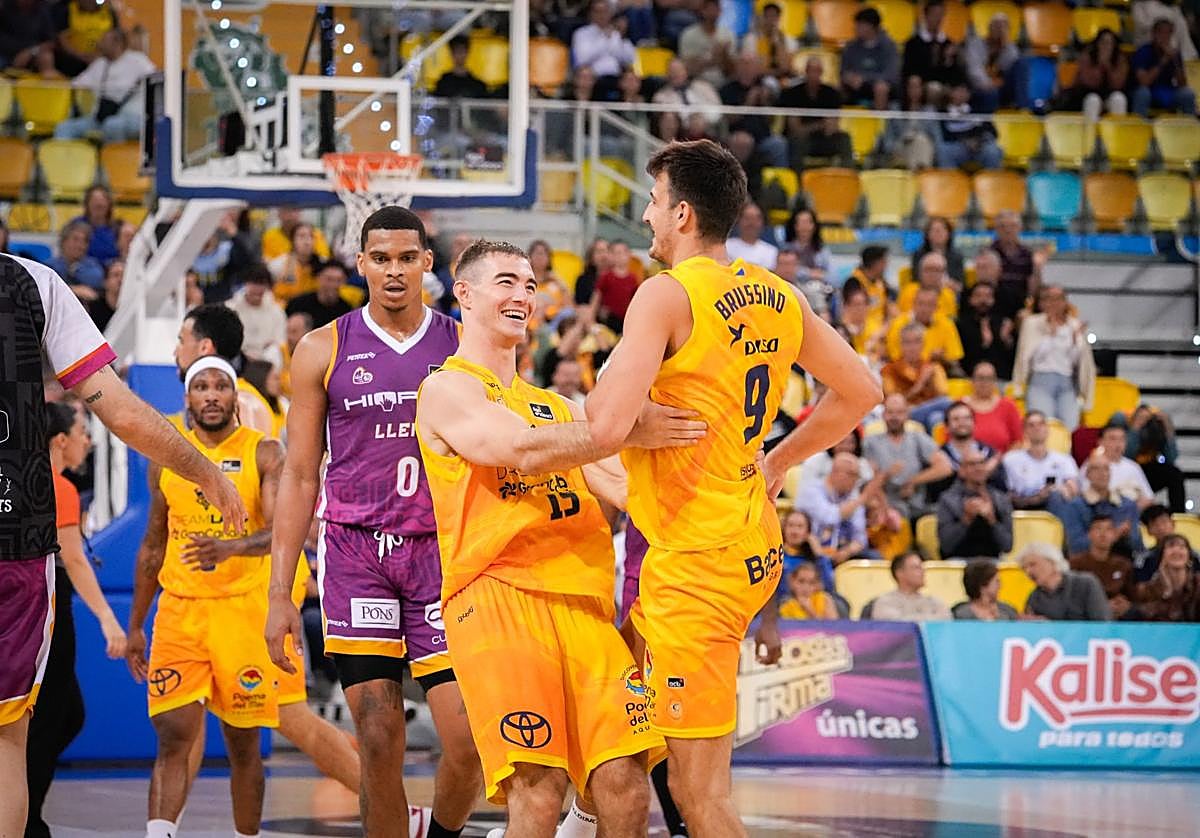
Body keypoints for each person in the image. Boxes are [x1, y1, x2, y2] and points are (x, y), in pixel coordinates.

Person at [584, 139, 880, 836]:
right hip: (746, 534)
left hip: (698, 559)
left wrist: (604, 406)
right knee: (638, 734)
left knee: (700, 796)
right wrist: (778, 459)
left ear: (682, 214)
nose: (647, 216)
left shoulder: (664, 294)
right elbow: (859, 391)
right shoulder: (777, 293)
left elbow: (603, 427)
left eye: (654, 202)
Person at [414, 239, 686, 836]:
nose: (523, 295)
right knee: (538, 793)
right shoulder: (445, 389)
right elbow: (516, 449)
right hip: (498, 599)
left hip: (584, 606)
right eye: (507, 281)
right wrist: (624, 427)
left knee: (625, 783)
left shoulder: (561, 409)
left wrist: (729, 476)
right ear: (464, 294)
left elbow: (631, 494)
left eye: (532, 285)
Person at [0, 252, 245, 838]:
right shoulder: (30, 283)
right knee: (8, 738)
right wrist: (204, 470)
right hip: (14, 537)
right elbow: (118, 409)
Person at [263, 209, 484, 838]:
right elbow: (301, 474)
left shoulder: (466, 343)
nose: (393, 270)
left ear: (427, 264)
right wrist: (282, 593)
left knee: (468, 743)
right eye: (380, 258)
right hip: (356, 555)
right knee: (381, 740)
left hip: (443, 556)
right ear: (360, 263)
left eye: (405, 258)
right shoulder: (321, 348)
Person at [126, 357, 361, 838]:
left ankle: (246, 834)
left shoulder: (263, 453)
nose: (211, 395)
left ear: (236, 396)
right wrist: (134, 624)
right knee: (173, 733)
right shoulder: (166, 459)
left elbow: (282, 531)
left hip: (244, 612)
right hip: (180, 611)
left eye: (220, 386)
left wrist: (228, 547)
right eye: (201, 387)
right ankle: (159, 832)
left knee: (243, 743)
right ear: (187, 399)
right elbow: (152, 545)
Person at [25, 402, 127, 838]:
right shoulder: (59, 487)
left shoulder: (24, 484)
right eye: (83, 431)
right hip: (52, 616)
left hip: (29, 615)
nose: (88, 440)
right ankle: (28, 821)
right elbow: (75, 561)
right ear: (60, 441)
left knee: (65, 716)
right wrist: (108, 618)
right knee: (50, 723)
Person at [174, 303, 276, 438]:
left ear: (205, 347)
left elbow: (249, 456)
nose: (175, 352)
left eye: (182, 341)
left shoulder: (243, 403)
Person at [1012, 284, 1095, 431]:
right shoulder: (1032, 323)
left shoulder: (1074, 325)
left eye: (1058, 299)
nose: (1053, 303)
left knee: (1070, 427)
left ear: (1065, 302)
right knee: (1044, 425)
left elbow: (1077, 360)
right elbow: (1029, 356)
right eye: (1049, 299)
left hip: (1067, 383)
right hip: (1040, 381)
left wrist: (1076, 340)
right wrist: (1051, 335)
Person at [54, 28, 156, 143]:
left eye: (104, 41)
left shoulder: (138, 61)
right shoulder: (99, 64)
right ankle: (65, 159)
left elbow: (155, 81)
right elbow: (76, 84)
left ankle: (116, 160)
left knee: (112, 125)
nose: (100, 44)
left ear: (118, 43)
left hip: (133, 117)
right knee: (64, 128)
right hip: (102, 116)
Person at [863, 395, 954, 520]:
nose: (894, 417)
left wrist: (913, 481)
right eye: (890, 412)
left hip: (917, 505)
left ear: (907, 414)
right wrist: (886, 475)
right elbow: (867, 479)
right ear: (883, 415)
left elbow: (945, 467)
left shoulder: (917, 437)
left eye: (899, 412)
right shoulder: (870, 442)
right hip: (884, 505)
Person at [797, 452, 878, 568]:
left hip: (842, 551)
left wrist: (847, 551)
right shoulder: (811, 490)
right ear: (836, 472)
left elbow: (860, 537)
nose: (856, 481)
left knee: (874, 557)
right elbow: (830, 517)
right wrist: (862, 499)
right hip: (811, 550)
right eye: (853, 475)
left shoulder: (852, 498)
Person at [936, 445, 1013, 560]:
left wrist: (992, 520)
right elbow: (946, 545)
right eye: (972, 464)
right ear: (961, 470)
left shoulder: (1001, 499)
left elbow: (1007, 546)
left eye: (982, 463)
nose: (978, 468)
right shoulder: (948, 500)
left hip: (991, 561)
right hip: (958, 561)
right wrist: (966, 520)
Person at [1062, 458, 1144, 558]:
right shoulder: (1075, 506)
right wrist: (1115, 534)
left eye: (1106, 469)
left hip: (1124, 560)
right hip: (1087, 564)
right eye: (1096, 469)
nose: (1102, 473)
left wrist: (1127, 536)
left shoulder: (1127, 505)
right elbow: (1076, 545)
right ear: (1087, 475)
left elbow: (1138, 544)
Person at [780, 56, 853, 168]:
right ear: (806, 71)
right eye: (811, 70)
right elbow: (796, 129)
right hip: (803, 141)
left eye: (817, 71)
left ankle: (846, 178)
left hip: (824, 140)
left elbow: (832, 126)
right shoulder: (793, 94)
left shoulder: (831, 94)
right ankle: (797, 182)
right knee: (796, 142)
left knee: (844, 138)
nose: (814, 74)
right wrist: (821, 125)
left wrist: (816, 127)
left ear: (821, 72)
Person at [1004, 410, 1081, 511]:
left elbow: (1074, 489)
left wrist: (1060, 490)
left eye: (1041, 424)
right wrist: (1038, 498)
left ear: (1048, 429)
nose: (1037, 428)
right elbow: (1007, 495)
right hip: (1024, 507)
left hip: (1057, 506)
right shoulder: (1010, 460)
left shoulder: (1064, 460)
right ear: (1024, 431)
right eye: (1031, 425)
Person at [881, 323, 951, 431]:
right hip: (904, 414)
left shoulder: (933, 367)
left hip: (928, 411)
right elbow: (894, 402)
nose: (912, 347)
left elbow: (943, 392)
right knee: (947, 403)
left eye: (917, 342)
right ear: (901, 345)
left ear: (923, 344)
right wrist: (920, 384)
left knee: (936, 418)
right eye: (907, 342)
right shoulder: (889, 370)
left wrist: (931, 381)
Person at [1069, 515, 1139, 620]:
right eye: (1098, 528)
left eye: (1108, 529)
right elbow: (1071, 599)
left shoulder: (1124, 564)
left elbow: (1132, 596)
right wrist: (1102, 606)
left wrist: (1126, 605)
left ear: (1115, 534)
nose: (1103, 534)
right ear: (1089, 534)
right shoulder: (1075, 563)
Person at [955, 259, 1015, 379]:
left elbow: (1012, 358)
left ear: (993, 300)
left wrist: (1006, 340)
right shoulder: (961, 325)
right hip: (970, 378)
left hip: (1000, 378)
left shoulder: (1003, 324)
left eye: (988, 296)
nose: (983, 300)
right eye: (978, 296)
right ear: (971, 300)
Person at [1020, 542, 1112, 621]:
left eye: (1032, 564)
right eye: (1024, 568)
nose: (1028, 571)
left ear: (1052, 562)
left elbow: (1102, 623)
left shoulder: (1086, 584)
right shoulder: (1034, 598)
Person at [1123, 404, 1187, 513]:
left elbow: (1171, 458)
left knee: (1175, 473)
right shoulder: (1124, 422)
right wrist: (1136, 427)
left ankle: (1178, 514)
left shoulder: (1158, 426)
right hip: (1127, 471)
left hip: (1149, 470)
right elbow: (1126, 456)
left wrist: (1167, 427)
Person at [885, 286, 965, 372]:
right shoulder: (898, 324)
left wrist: (942, 359)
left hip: (939, 373)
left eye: (929, 304)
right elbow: (893, 358)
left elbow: (955, 360)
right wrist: (928, 359)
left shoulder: (946, 324)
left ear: (936, 307)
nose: (924, 309)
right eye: (921, 303)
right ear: (913, 304)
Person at [1056, 28, 1129, 120]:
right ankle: (1090, 132)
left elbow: (1118, 84)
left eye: (1109, 43)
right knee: (1093, 100)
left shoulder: (1120, 59)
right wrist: (1099, 66)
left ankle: (1116, 132)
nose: (1106, 46)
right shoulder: (1087, 56)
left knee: (1119, 98)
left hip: (1109, 95)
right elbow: (1087, 81)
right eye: (1103, 42)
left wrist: (1108, 67)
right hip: (1085, 94)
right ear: (1097, 43)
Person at [1131, 17, 1197, 117]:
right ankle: (1139, 127)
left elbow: (1182, 83)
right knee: (1143, 93)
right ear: (1153, 34)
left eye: (1168, 33)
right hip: (1148, 91)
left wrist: (1175, 61)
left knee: (1187, 94)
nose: (1164, 36)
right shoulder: (1143, 51)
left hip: (1166, 90)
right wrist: (1163, 60)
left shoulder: (1174, 54)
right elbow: (1144, 82)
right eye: (1161, 33)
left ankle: (1191, 129)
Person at [901, 0, 965, 101]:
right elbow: (908, 70)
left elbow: (956, 75)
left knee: (960, 92)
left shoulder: (949, 44)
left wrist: (948, 61)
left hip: (944, 85)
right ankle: (914, 115)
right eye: (934, 14)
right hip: (921, 84)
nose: (938, 19)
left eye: (941, 15)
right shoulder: (913, 43)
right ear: (926, 16)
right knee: (919, 84)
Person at [1082, 423, 1155, 509]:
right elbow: (1085, 495)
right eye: (1113, 439)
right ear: (1100, 441)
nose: (1118, 444)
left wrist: (1131, 511)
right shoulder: (1092, 464)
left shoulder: (1133, 467)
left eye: (1122, 439)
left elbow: (1149, 497)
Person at [989, 211, 1045, 321]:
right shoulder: (989, 253)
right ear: (996, 229)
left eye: (1012, 226)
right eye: (1003, 226)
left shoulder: (1028, 254)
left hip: (1021, 304)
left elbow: (1033, 290)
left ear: (1020, 228)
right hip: (995, 305)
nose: (1008, 230)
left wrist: (1037, 269)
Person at [840, 6, 899, 110]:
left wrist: (865, 78)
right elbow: (843, 70)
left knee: (881, 88)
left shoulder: (889, 46)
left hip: (880, 87)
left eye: (859, 25)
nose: (856, 28)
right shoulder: (851, 47)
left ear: (871, 27)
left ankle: (880, 123)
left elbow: (890, 75)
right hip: (855, 86)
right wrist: (848, 77)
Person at [935, 82, 1003, 170]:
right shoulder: (943, 113)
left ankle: (991, 181)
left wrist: (979, 140)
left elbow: (993, 132)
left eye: (964, 91)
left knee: (993, 151)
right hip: (957, 147)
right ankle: (949, 181)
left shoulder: (978, 110)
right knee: (943, 149)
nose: (961, 94)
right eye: (958, 91)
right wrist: (965, 141)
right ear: (951, 93)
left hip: (979, 147)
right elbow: (944, 136)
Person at [228, 263, 288, 362]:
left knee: (274, 352)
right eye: (253, 283)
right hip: (240, 357)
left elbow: (280, 341)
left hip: (265, 361)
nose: (257, 289)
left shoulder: (277, 312)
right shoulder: (231, 308)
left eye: (261, 284)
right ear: (245, 283)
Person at [1136, 534, 1200, 622]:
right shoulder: (1148, 590)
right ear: (1162, 556)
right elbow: (1151, 619)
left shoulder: (1198, 584)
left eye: (1182, 547)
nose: (1176, 550)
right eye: (1171, 546)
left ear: (1189, 557)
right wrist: (1167, 592)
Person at [871, 552, 952, 621]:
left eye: (922, 568)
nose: (923, 572)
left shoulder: (934, 602)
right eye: (916, 568)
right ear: (899, 573)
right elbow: (899, 626)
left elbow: (946, 620)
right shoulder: (885, 602)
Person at [963, 14, 1018, 113]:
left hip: (1001, 87)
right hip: (979, 86)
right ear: (989, 28)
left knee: (1023, 64)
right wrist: (988, 84)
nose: (999, 30)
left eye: (1003, 27)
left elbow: (1011, 70)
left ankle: (1024, 108)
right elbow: (974, 70)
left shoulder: (1010, 48)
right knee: (991, 93)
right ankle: (988, 126)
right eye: (996, 26)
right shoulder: (975, 44)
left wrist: (1004, 47)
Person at [962, 362, 1022, 452]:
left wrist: (1001, 462)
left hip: (1002, 462)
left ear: (995, 381)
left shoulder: (1008, 406)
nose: (985, 382)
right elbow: (951, 441)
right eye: (980, 378)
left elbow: (1018, 441)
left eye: (989, 378)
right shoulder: (961, 406)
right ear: (972, 380)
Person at [1134, 504, 1200, 582]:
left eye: (1164, 522)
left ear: (1173, 524)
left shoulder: (1193, 555)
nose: (1161, 528)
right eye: (1155, 524)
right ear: (1148, 530)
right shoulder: (1144, 559)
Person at [571, 0, 636, 79]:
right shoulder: (581, 33)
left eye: (605, 11)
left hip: (617, 78)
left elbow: (630, 59)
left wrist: (622, 37)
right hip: (593, 79)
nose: (601, 15)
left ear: (610, 13)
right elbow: (582, 59)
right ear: (591, 14)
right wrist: (604, 39)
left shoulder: (616, 33)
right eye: (597, 12)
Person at [678, 0, 736, 87]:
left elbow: (732, 72)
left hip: (724, 84)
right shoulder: (689, 34)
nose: (712, 12)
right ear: (702, 11)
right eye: (709, 9)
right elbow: (686, 69)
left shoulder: (728, 35)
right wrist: (712, 59)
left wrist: (724, 56)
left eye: (715, 8)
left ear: (720, 11)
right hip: (696, 84)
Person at [285, 260, 355, 329]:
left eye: (338, 280)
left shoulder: (346, 310)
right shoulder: (298, 304)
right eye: (329, 279)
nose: (334, 284)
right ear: (319, 278)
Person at [52, 0, 116, 76]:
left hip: (102, 58)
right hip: (73, 60)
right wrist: (80, 55)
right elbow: (62, 39)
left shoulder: (108, 11)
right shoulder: (67, 10)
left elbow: (114, 36)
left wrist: (99, 55)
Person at [47, 221, 104, 301]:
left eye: (84, 241)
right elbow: (47, 287)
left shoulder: (93, 265)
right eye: (75, 239)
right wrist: (72, 289)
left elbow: (95, 280)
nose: (80, 245)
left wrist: (75, 269)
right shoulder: (50, 265)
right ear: (64, 241)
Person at [0, 0, 59, 77]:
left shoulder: (43, 10)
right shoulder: (4, 7)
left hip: (31, 54)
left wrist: (31, 52)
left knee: (46, 57)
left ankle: (48, 86)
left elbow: (51, 41)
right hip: (5, 54)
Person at [592, 239, 639, 333]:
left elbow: (636, 300)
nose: (621, 257)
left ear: (629, 254)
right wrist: (592, 320)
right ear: (611, 256)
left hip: (625, 320)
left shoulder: (633, 278)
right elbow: (596, 299)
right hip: (608, 319)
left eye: (624, 253)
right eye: (617, 253)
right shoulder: (606, 277)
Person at [740, 2, 796, 79]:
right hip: (757, 79)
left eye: (774, 16)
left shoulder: (789, 40)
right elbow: (755, 69)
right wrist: (776, 72)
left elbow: (786, 67)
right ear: (762, 17)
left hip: (783, 81)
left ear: (779, 18)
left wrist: (777, 42)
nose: (770, 20)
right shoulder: (751, 39)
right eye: (767, 16)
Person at [268, 222, 322, 303]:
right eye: (302, 236)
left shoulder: (323, 264)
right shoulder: (278, 264)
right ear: (292, 240)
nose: (307, 241)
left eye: (311, 236)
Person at [898, 251, 958, 320]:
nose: (932, 274)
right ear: (920, 272)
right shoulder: (908, 291)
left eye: (937, 270)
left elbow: (950, 322)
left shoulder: (949, 295)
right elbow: (900, 320)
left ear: (944, 273)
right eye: (928, 269)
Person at [951, 559, 1018, 620]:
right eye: (997, 581)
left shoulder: (1008, 612)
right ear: (983, 586)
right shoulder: (959, 614)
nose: (1000, 586)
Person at [260, 207, 332, 263]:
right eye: (285, 211)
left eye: (293, 210)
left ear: (300, 213)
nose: (290, 215)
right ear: (278, 214)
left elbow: (323, 258)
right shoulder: (270, 235)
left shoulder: (315, 233)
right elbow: (268, 261)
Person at [843, 244, 893, 324]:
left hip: (881, 327)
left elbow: (888, 307)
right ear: (875, 263)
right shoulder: (854, 282)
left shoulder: (881, 282)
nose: (886, 266)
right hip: (863, 329)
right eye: (883, 262)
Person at [911, 216, 966, 289]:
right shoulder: (918, 255)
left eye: (942, 230)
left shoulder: (957, 257)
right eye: (934, 230)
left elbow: (960, 284)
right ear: (927, 234)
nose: (938, 233)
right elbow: (917, 279)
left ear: (949, 234)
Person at [71, 185, 119, 266]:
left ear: (109, 204)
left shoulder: (118, 227)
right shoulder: (76, 225)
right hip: (84, 269)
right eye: (94, 201)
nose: (99, 204)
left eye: (102, 201)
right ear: (87, 204)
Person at [724, 202, 778, 269]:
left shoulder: (772, 252)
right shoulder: (726, 247)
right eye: (747, 218)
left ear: (763, 222)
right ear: (738, 220)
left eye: (756, 219)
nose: (751, 223)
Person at [86, 258, 123, 332]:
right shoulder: (93, 309)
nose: (120, 280)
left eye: (124, 276)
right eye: (116, 275)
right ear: (105, 282)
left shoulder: (132, 306)